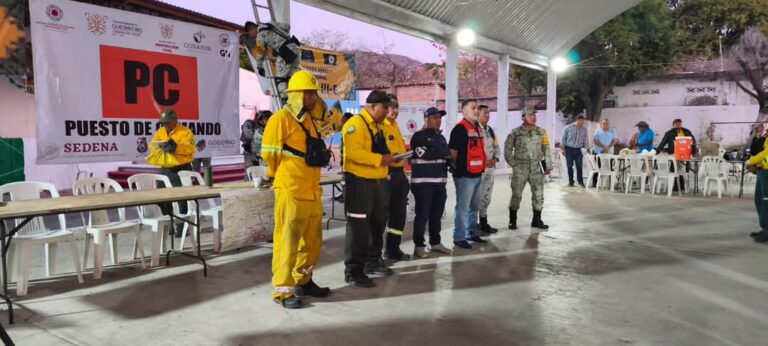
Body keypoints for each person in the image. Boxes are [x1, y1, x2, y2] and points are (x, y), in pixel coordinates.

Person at [260, 70, 331, 309]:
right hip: (290, 189)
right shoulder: (279, 119)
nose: (313, 98)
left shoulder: (310, 121)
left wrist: (319, 105)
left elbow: (326, 119)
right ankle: (283, 290)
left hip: (311, 190)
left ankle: (304, 280)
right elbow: (269, 154)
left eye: (314, 93)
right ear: (297, 95)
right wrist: (274, 175)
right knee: (287, 242)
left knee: (312, 242)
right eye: (309, 94)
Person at [343, 90, 400, 287]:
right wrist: (380, 159)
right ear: (372, 106)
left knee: (377, 225)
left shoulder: (377, 127)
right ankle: (353, 271)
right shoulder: (355, 125)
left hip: (378, 183)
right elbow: (354, 153)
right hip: (360, 184)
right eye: (385, 107)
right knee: (359, 229)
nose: (387, 111)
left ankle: (372, 262)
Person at [410, 107, 454, 258]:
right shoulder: (419, 136)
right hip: (423, 184)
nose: (438, 120)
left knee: (436, 215)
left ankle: (435, 243)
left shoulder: (441, 138)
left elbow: (447, 155)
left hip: (439, 184)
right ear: (426, 119)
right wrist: (443, 153)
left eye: (440, 117)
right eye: (435, 117)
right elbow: (425, 154)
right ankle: (419, 246)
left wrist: (447, 157)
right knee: (422, 215)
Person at [149, 109, 196, 235]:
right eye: (163, 123)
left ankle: (182, 227)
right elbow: (152, 145)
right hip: (166, 168)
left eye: (168, 122)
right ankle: (169, 223)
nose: (165, 125)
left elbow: (190, 148)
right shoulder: (161, 132)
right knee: (161, 197)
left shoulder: (185, 132)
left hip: (181, 168)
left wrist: (176, 147)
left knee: (181, 198)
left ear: (175, 120)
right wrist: (159, 147)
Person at [449, 99, 488, 250]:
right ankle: (459, 237)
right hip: (464, 175)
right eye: (473, 108)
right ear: (464, 111)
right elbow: (453, 153)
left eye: (477, 108)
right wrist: (457, 171)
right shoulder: (459, 129)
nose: (477, 110)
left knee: (474, 206)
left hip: (477, 173)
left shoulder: (477, 128)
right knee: (463, 208)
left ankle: (471, 233)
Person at [505, 107, 552, 230]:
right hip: (520, 169)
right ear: (523, 117)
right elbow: (507, 150)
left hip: (537, 168)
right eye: (530, 115)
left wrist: (547, 165)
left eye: (534, 114)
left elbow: (546, 148)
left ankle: (537, 220)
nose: (533, 117)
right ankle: (512, 220)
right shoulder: (515, 132)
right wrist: (514, 164)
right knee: (516, 195)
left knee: (538, 195)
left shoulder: (542, 132)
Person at [380, 94, 411, 261]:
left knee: (398, 215)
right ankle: (376, 255)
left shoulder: (395, 125)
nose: (395, 111)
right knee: (382, 216)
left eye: (397, 107)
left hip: (399, 175)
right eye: (392, 107)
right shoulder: (380, 126)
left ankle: (393, 249)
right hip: (387, 174)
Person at [243, 21, 301, 103]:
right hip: (296, 49)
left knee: (280, 79)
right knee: (292, 77)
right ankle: (297, 97)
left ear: (252, 28)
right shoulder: (271, 24)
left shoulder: (260, 36)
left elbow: (260, 53)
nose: (250, 35)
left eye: (249, 32)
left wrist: (259, 67)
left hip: (286, 53)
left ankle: (285, 102)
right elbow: (287, 26)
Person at [477, 105, 500, 234]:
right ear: (478, 114)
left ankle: (484, 222)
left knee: (486, 196)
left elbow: (496, 147)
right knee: (475, 198)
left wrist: (495, 159)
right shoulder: (473, 130)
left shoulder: (490, 130)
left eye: (489, 113)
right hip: (477, 170)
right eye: (485, 113)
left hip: (489, 170)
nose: (487, 115)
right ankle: (472, 225)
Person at [747, 141, 768, 243]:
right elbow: (764, 152)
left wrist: (752, 161)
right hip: (762, 170)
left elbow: (765, 155)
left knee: (766, 201)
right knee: (760, 200)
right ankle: (765, 228)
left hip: (766, 170)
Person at [241, 110, 271, 179]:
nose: (268, 121)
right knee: (250, 174)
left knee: (260, 174)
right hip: (250, 154)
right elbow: (255, 138)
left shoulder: (265, 128)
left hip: (259, 154)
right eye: (266, 119)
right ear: (261, 119)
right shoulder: (253, 126)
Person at [561, 115, 589, 187]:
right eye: (581, 121)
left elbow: (586, 139)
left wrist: (587, 148)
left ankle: (580, 182)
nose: (582, 122)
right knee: (570, 166)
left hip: (578, 150)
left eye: (583, 121)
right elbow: (563, 138)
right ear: (577, 120)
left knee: (579, 166)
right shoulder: (568, 128)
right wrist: (562, 148)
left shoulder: (584, 129)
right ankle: (571, 182)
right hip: (569, 149)